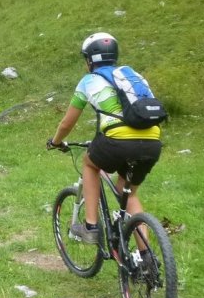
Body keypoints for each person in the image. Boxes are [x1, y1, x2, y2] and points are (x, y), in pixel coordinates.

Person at [46, 32, 162, 245]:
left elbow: (67, 123)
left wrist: (55, 142)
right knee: (128, 192)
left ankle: (91, 227)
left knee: (90, 165)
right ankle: (145, 259)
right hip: (153, 140)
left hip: (117, 140)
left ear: (89, 60)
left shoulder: (89, 81)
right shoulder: (132, 75)